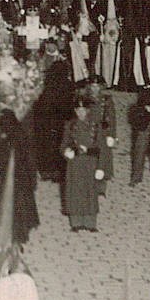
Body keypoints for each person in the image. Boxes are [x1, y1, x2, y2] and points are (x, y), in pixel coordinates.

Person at [60, 96, 100, 231]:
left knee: (90, 191)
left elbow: (100, 147)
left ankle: (90, 223)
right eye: (78, 110)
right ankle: (76, 222)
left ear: (88, 110)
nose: (81, 113)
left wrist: (100, 166)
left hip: (90, 162)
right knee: (75, 191)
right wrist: (66, 152)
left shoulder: (95, 125)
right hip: (75, 164)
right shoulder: (70, 125)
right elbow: (64, 144)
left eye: (83, 110)